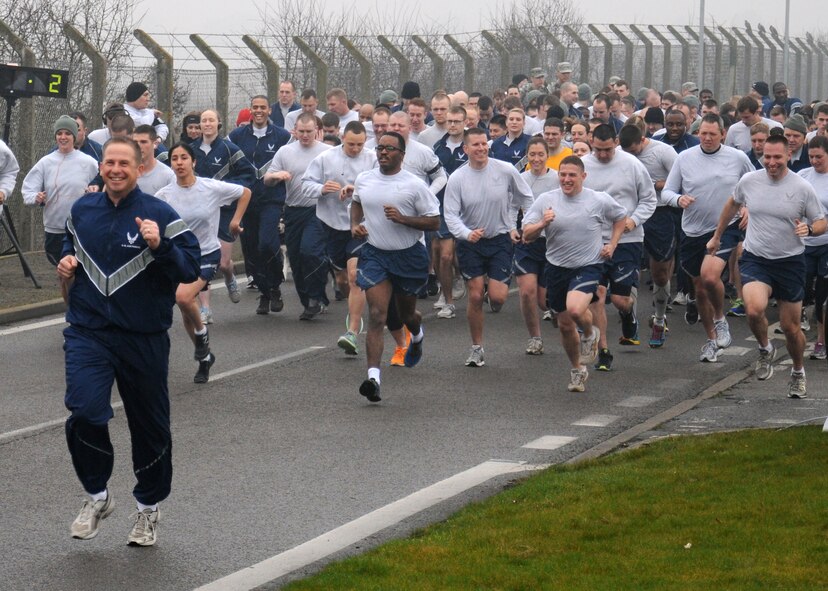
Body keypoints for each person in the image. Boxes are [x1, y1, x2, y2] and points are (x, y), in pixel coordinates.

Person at [58, 137, 200, 547]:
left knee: (149, 426)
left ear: (140, 169)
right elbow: (71, 246)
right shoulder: (83, 209)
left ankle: (148, 508)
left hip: (143, 338)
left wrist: (161, 245)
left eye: (124, 163)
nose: (116, 169)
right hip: (88, 332)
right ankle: (97, 496)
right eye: (109, 162)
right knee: (84, 411)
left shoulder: (159, 213)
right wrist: (67, 261)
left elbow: (190, 269)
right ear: (100, 167)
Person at [707, 134, 825, 398]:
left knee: (791, 327)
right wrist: (717, 235)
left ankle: (797, 371)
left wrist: (810, 229)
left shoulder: (802, 187)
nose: (771, 163)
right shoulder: (749, 181)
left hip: (791, 262)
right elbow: (732, 203)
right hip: (756, 257)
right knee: (753, 309)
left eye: (777, 158)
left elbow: (821, 220)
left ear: (788, 157)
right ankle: (764, 348)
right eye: (767, 157)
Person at [348, 131, 440, 402]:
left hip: (408, 256)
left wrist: (403, 219)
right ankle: (373, 379)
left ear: (402, 154)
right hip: (376, 254)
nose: (383, 153)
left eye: (389, 149)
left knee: (405, 315)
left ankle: (418, 335)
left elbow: (434, 221)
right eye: (379, 148)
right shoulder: (365, 178)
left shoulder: (414, 185)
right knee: (378, 314)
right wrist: (355, 225)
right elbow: (356, 203)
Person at [522, 155, 627, 392]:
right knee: (566, 325)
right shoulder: (546, 200)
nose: (566, 180)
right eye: (562, 175)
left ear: (583, 176)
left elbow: (621, 218)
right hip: (557, 268)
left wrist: (613, 244)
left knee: (576, 308)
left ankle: (590, 333)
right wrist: (542, 224)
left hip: (589, 265)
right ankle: (578, 369)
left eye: (572, 175)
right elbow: (526, 235)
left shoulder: (598, 200)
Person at [662, 114, 754, 362]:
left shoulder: (737, 158)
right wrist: (678, 199)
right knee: (700, 290)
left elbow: (755, 186)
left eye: (713, 134)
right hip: (692, 231)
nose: (707, 138)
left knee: (710, 275)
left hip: (725, 228)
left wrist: (745, 206)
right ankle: (712, 340)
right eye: (703, 133)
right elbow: (667, 192)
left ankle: (720, 319)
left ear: (722, 134)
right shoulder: (685, 158)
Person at [156, 142, 250, 383]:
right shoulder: (164, 196)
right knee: (187, 312)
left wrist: (234, 221)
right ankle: (205, 357)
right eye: (174, 158)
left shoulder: (210, 188)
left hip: (207, 254)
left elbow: (245, 193)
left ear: (193, 162)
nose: (178, 162)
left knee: (183, 298)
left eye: (184, 157)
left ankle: (202, 335)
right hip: (178, 256)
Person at [444, 127, 534, 366]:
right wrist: (466, 233)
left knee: (498, 298)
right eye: (475, 145)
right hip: (470, 243)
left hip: (500, 240)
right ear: (465, 149)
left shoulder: (504, 170)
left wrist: (523, 225)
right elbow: (450, 215)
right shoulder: (457, 178)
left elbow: (526, 197)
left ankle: (489, 287)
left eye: (484, 144)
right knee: (474, 296)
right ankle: (476, 348)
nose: (481, 148)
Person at [583, 124, 657, 370]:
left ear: (616, 141)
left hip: (627, 239)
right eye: (598, 149)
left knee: (619, 299)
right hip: (594, 240)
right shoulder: (583, 165)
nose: (603, 155)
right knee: (597, 295)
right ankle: (602, 349)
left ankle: (628, 313)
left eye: (607, 149)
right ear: (591, 141)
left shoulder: (632, 165)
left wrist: (633, 220)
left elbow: (649, 199)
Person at [302, 121, 377, 354]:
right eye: (351, 144)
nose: (355, 149)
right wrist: (322, 189)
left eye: (360, 144)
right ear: (343, 138)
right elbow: (304, 184)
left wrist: (356, 189)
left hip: (360, 226)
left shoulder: (372, 158)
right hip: (331, 223)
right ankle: (353, 309)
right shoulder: (326, 158)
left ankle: (352, 331)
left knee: (354, 277)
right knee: (343, 280)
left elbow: (381, 185)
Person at [229, 95, 293, 315]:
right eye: (255, 107)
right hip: (246, 201)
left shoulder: (283, 136)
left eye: (263, 108)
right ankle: (265, 292)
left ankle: (275, 285)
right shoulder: (237, 136)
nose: (258, 111)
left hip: (271, 200)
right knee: (252, 249)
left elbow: (290, 163)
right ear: (250, 109)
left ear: (269, 110)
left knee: (267, 243)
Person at [264, 112, 332, 319]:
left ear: (317, 131)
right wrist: (276, 176)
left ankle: (316, 297)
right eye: (300, 131)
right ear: (294, 131)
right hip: (293, 210)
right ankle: (308, 300)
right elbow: (267, 179)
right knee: (296, 258)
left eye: (309, 132)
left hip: (318, 210)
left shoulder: (328, 152)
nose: (304, 135)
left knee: (309, 251)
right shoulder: (285, 152)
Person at [191, 109, 256, 323]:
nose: (207, 124)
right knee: (203, 260)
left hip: (225, 210)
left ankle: (229, 278)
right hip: (201, 212)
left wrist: (226, 189)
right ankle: (206, 309)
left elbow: (248, 175)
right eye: (203, 121)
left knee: (224, 262)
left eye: (211, 120)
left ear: (218, 123)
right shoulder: (191, 150)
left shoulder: (230, 149)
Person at [619, 122, 678, 347]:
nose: (630, 156)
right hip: (629, 215)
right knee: (629, 267)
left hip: (659, 214)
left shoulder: (664, 152)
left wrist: (656, 184)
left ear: (642, 140)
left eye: (634, 151)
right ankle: (631, 323)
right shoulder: (619, 155)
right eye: (626, 153)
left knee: (660, 273)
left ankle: (659, 320)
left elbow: (680, 180)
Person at [22, 115, 98, 265]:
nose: (63, 137)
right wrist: (36, 198)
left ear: (74, 136)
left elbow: (102, 184)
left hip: (80, 226)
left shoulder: (89, 162)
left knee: (76, 268)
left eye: (67, 133)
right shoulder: (46, 162)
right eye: (59, 133)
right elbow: (28, 189)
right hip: (54, 227)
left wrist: (94, 193)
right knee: (60, 267)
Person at [516, 136, 559, 354]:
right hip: (528, 241)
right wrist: (511, 229)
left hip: (553, 244)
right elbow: (509, 206)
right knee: (526, 292)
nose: (536, 159)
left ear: (547, 156)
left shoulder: (558, 179)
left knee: (544, 301)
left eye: (540, 154)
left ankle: (556, 311)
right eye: (532, 154)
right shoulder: (519, 178)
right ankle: (535, 338)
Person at [432, 106, 471, 319]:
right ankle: (447, 299)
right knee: (442, 255)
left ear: (465, 122)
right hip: (442, 206)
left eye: (457, 121)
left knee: (458, 253)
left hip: (468, 206)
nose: (453, 125)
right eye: (450, 121)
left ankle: (461, 277)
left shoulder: (472, 145)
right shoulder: (438, 147)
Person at [799, 136, 828, 360]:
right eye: (811, 157)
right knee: (803, 291)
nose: (814, 161)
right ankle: (799, 329)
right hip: (805, 243)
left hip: (826, 243)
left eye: (819, 157)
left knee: (822, 296)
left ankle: (821, 340)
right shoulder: (803, 177)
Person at [134, 125, 175, 195]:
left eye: (143, 142)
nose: (138, 146)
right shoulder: (125, 172)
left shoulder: (168, 176)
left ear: (155, 144)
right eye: (135, 142)